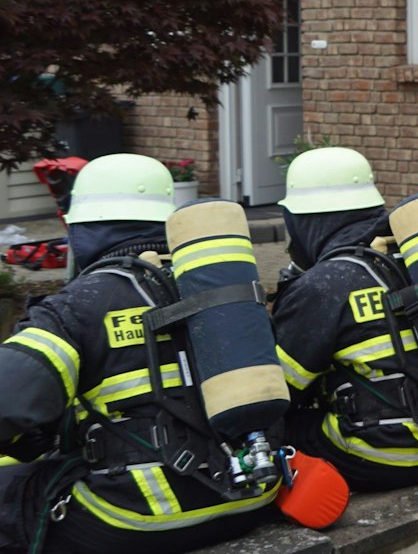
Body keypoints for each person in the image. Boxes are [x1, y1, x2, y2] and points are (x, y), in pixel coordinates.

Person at [0, 154, 278, 553]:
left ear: (84, 230)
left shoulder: (80, 304)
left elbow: (8, 399)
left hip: (137, 517)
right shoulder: (220, 290)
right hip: (249, 497)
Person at [270, 147, 418, 491]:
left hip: (382, 457)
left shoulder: (323, 285)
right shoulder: (415, 257)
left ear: (305, 222)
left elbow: (280, 391)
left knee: (275, 430)